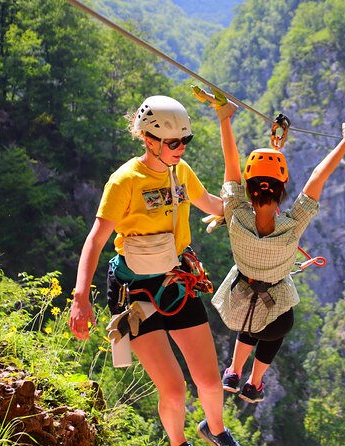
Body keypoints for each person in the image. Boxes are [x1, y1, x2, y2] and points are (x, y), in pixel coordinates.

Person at [193, 85, 345, 404]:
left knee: (252, 316)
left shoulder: (235, 211)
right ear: (282, 189)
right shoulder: (292, 222)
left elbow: (230, 165)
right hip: (272, 312)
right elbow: (317, 177)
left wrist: (224, 117)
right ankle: (254, 384)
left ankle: (232, 369)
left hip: (239, 303)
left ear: (249, 185)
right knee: (274, 326)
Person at [68, 95, 240, 446]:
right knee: (174, 391)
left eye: (185, 141)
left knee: (207, 380)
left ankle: (216, 431)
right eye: (173, 143)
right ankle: (178, 444)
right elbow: (95, 240)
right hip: (134, 292)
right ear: (149, 140)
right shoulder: (125, 181)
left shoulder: (181, 172)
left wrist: (253, 209)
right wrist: (81, 297)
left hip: (176, 280)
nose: (181, 149)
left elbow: (210, 203)